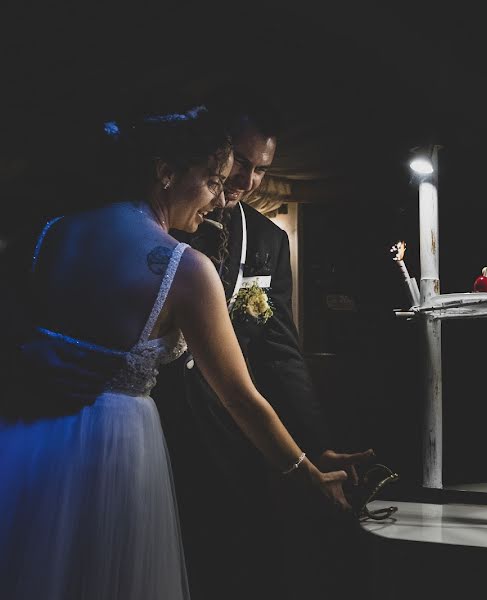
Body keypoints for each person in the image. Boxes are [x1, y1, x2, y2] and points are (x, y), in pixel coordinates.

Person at [0, 107, 352, 600]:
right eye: (211, 180)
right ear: (165, 173)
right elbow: (240, 397)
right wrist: (306, 474)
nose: (216, 198)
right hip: (114, 451)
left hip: (29, 439)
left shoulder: (49, 234)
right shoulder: (184, 267)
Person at [152, 96, 373, 599]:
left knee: (229, 559)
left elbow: (280, 352)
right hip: (153, 417)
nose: (246, 181)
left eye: (260, 169)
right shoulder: (164, 222)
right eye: (241, 164)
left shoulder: (270, 241)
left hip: (229, 432)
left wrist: (315, 443)